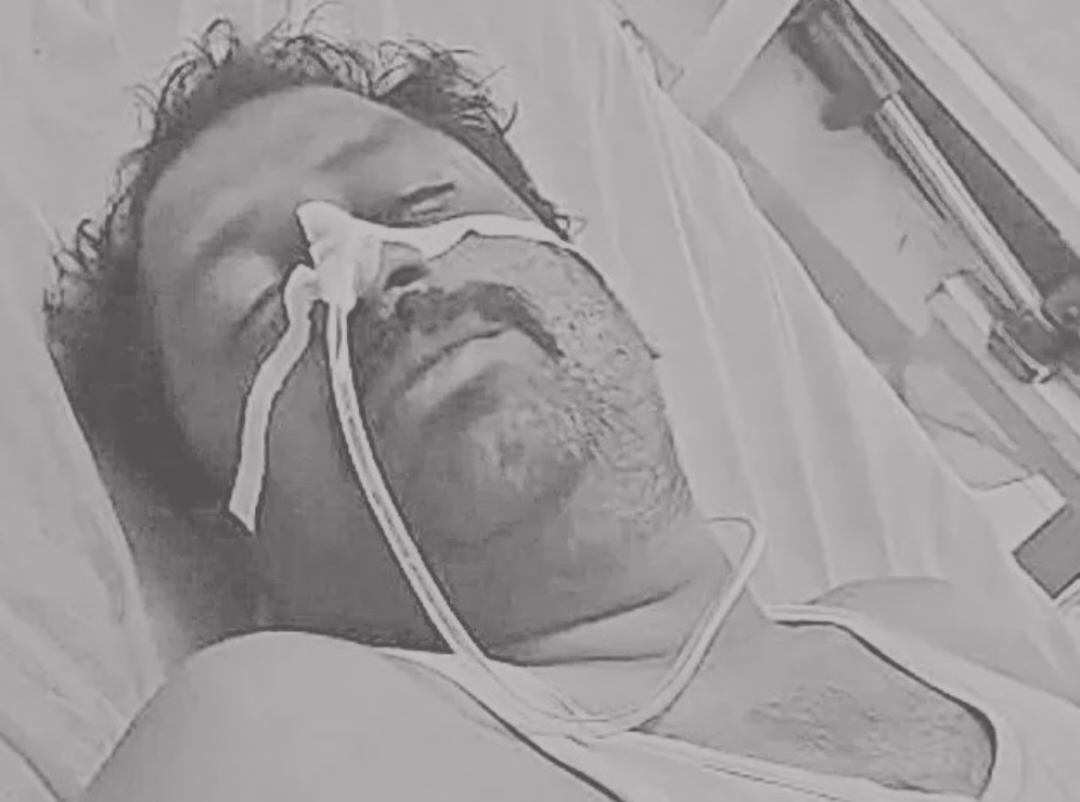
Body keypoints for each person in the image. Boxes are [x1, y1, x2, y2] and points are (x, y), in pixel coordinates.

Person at [51, 18, 1080, 802]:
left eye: (420, 205)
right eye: (253, 306)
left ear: (598, 284)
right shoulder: (278, 737)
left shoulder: (944, 629)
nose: (367, 269)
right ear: (228, 514)